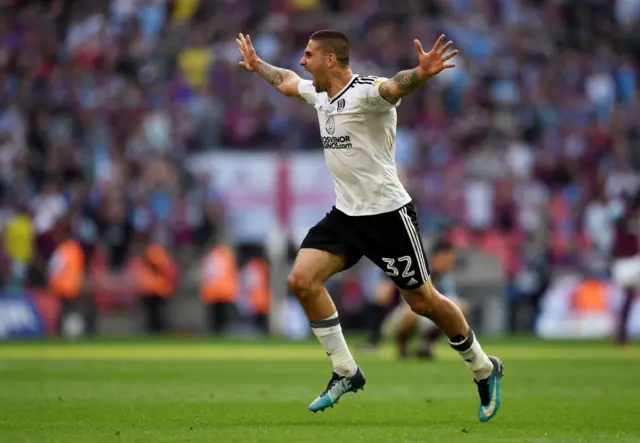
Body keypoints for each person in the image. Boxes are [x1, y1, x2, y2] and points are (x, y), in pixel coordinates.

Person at [236, 30, 503, 422]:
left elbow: (396, 86)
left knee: (422, 301)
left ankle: (483, 366)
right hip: (346, 215)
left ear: (331, 60)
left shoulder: (366, 92)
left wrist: (423, 72)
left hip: (387, 215)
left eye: (308, 54)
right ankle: (345, 370)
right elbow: (289, 83)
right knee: (300, 281)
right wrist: (258, 65)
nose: (302, 61)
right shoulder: (320, 94)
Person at [383, 240, 468, 359]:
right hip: (399, 316)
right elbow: (386, 298)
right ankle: (401, 348)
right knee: (410, 313)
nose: (451, 262)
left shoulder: (444, 277)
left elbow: (450, 300)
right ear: (438, 257)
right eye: (448, 258)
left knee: (457, 308)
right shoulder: (418, 269)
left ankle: (426, 346)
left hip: (423, 314)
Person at [611, 188, 640, 345]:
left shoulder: (624, 218)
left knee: (627, 299)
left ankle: (621, 333)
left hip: (627, 261)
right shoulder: (628, 219)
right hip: (629, 262)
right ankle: (621, 334)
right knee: (627, 298)